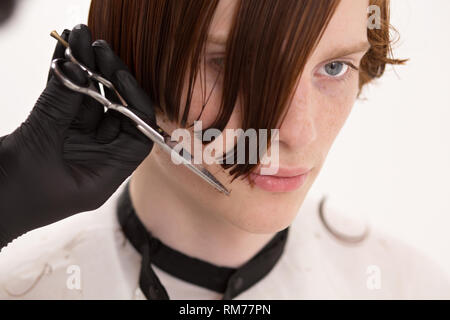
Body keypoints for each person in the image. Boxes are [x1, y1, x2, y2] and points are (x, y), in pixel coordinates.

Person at [0, 0, 449, 299]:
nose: (299, 132)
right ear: (121, 62)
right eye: (231, 65)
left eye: (334, 66)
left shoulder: (413, 287)